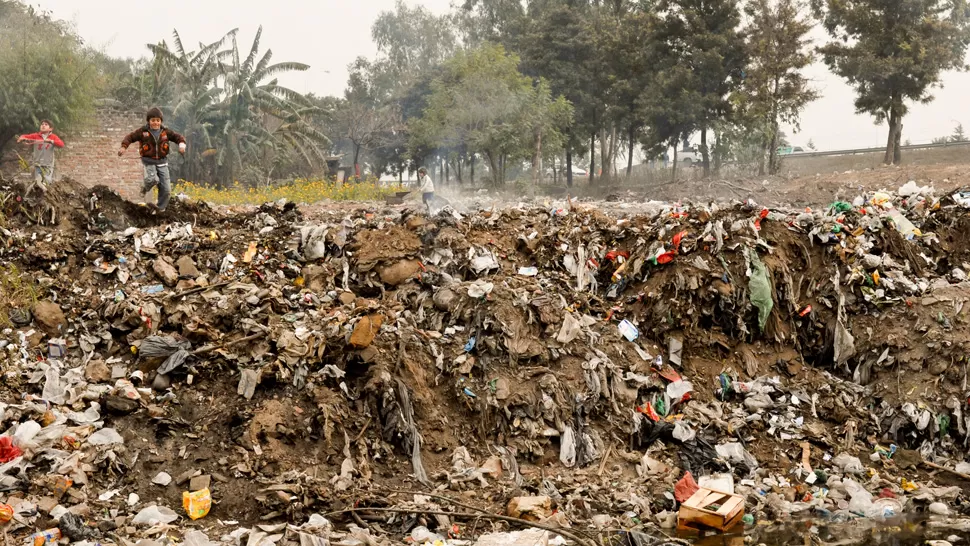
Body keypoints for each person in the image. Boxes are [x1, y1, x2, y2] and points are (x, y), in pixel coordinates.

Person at [119, 107, 186, 212]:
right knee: (153, 179)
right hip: (149, 161)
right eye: (153, 120)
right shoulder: (143, 132)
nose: (155, 123)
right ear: (148, 121)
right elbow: (130, 137)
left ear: (161, 121)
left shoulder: (165, 132)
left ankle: (160, 209)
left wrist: (181, 146)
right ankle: (144, 188)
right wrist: (123, 147)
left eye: (158, 120)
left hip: (162, 162)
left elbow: (179, 137)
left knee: (166, 189)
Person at [16, 120, 65, 195]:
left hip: (48, 164)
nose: (43, 125)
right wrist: (21, 138)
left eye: (46, 124)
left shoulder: (53, 137)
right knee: (38, 181)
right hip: (38, 163)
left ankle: (46, 196)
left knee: (46, 181)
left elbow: (61, 144)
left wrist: (51, 141)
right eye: (42, 124)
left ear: (51, 128)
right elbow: (25, 136)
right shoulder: (36, 136)